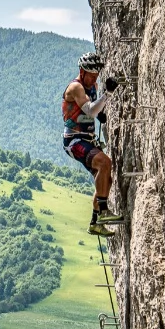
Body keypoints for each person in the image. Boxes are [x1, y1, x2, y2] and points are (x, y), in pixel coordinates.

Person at [62, 52, 122, 236]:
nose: (94, 79)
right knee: (104, 163)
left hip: (87, 139)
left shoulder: (93, 86)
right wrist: (108, 94)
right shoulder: (76, 87)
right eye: (91, 75)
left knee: (105, 180)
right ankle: (103, 212)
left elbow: (93, 110)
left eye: (96, 76)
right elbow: (90, 110)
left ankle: (95, 224)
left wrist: (100, 113)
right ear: (82, 71)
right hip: (74, 140)